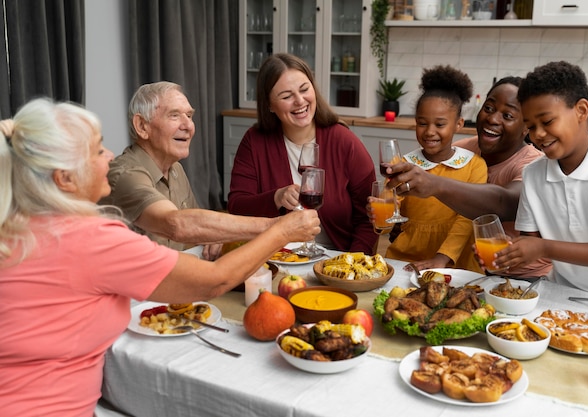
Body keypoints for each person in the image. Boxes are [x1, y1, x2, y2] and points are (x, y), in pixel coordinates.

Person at [0, 98, 320, 417]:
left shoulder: (13, 225)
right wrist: (281, 232)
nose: (109, 156)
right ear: (64, 178)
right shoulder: (89, 238)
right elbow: (214, 280)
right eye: (98, 151)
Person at [385, 76, 552, 279]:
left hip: (524, 276)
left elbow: (505, 202)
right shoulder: (463, 149)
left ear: (526, 126)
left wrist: (433, 184)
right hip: (474, 270)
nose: (493, 119)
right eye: (489, 108)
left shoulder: (533, 165)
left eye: (507, 115)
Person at [99, 81, 278, 259]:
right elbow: (176, 224)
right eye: (174, 115)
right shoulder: (125, 175)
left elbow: (196, 227)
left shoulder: (175, 168)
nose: (188, 126)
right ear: (142, 126)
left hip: (174, 276)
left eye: (190, 116)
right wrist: (274, 227)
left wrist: (212, 236)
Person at [494, 61, 588, 297]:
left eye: (547, 122)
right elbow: (530, 245)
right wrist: (508, 253)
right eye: (531, 127)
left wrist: (544, 247)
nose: (538, 135)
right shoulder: (533, 174)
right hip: (560, 292)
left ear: (581, 111)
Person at [227, 53, 378, 254]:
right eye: (287, 96)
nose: (300, 101)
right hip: (277, 257)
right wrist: (275, 197)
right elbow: (237, 206)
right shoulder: (254, 141)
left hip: (335, 258)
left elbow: (369, 217)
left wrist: (352, 265)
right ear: (269, 105)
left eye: (304, 89)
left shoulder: (344, 141)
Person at [383, 65, 488, 273]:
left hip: (456, 263)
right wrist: (379, 212)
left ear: (458, 124)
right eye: (422, 123)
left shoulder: (474, 165)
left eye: (440, 125)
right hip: (407, 260)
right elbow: (388, 219)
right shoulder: (404, 163)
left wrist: (443, 258)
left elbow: (466, 220)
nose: (430, 132)